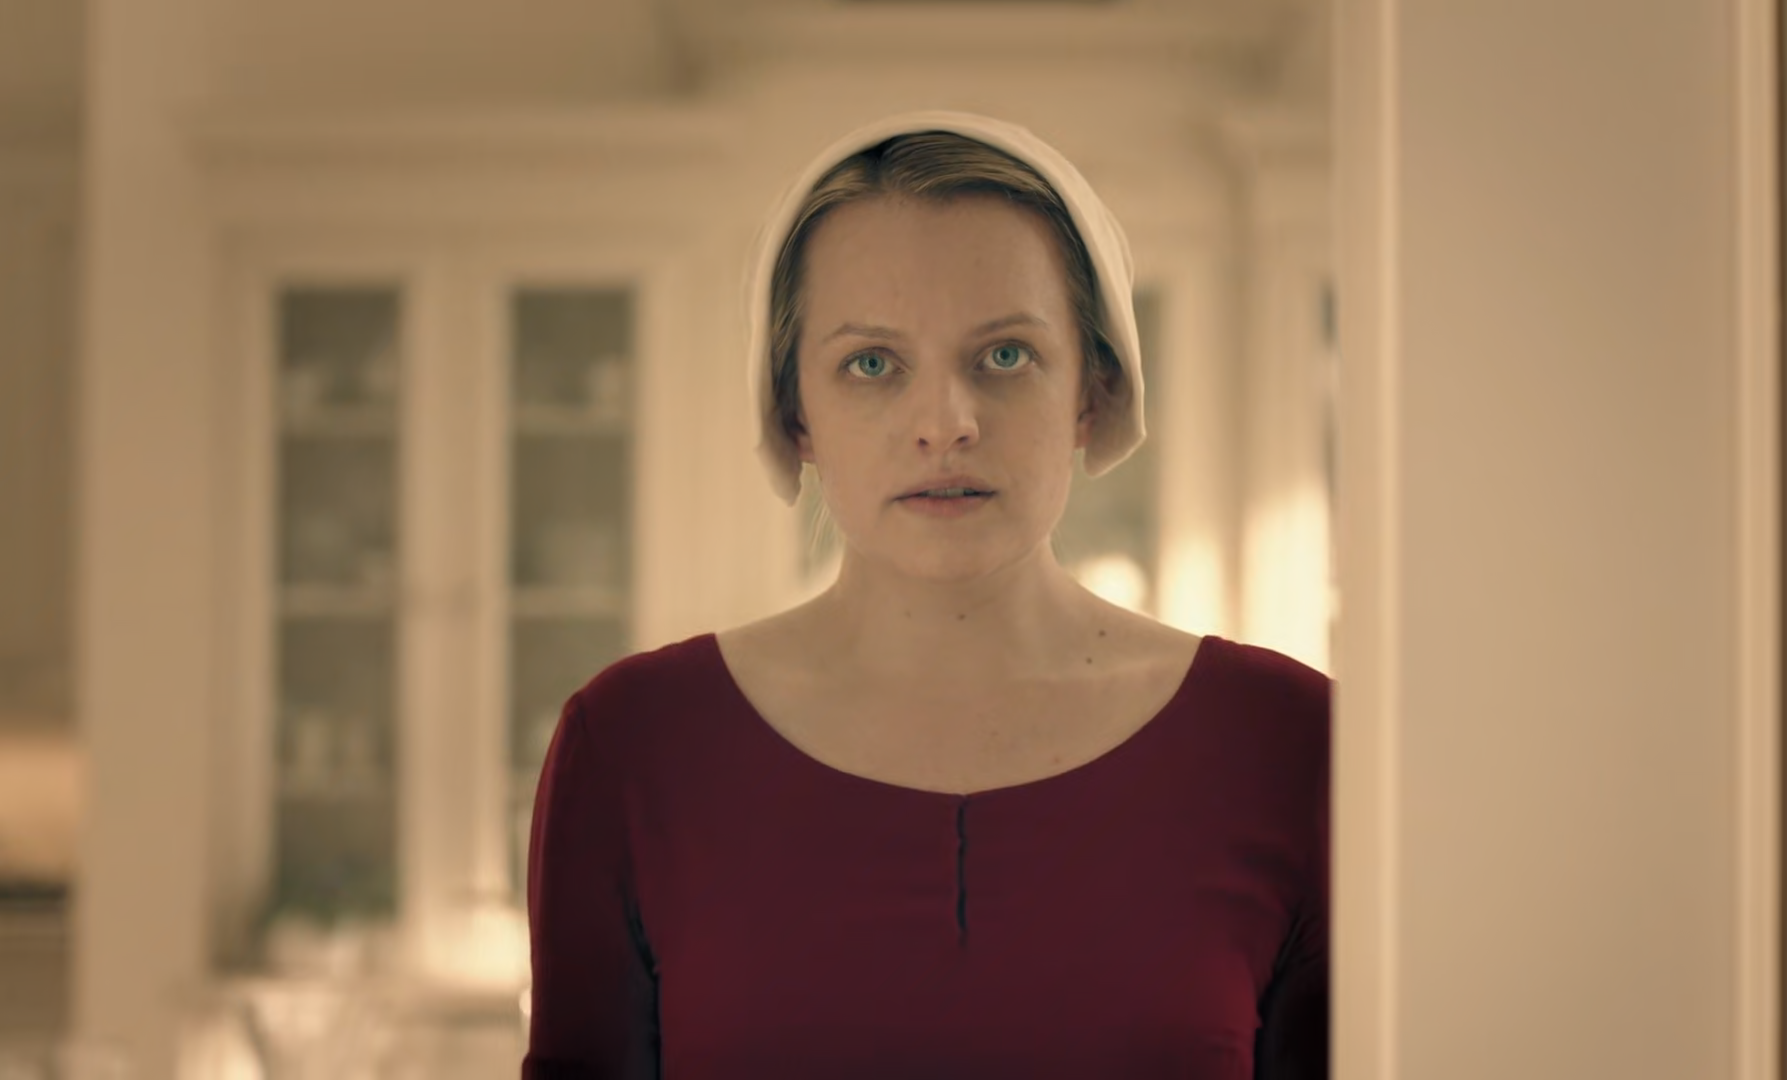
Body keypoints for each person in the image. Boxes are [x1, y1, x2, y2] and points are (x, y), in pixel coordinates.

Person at [521, 111, 1330, 1079]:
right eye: (871, 364)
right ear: (795, 413)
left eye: (1005, 355)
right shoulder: (634, 746)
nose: (945, 424)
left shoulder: (1288, 741)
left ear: (1092, 391)